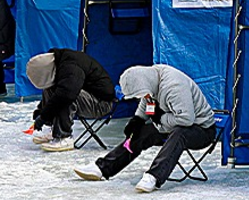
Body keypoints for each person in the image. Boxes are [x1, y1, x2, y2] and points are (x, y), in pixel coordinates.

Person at [74, 64, 217, 192]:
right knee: (140, 133)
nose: (142, 97)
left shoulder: (174, 86)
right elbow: (147, 101)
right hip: (171, 124)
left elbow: (186, 119)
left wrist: (160, 118)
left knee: (180, 134)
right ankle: (103, 168)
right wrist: (138, 119)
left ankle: (154, 176)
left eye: (141, 94)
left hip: (201, 129)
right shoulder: (151, 81)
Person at [26, 49, 116, 151]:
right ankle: (55, 130)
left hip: (101, 104)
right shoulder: (59, 62)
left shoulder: (71, 67)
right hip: (88, 97)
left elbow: (66, 95)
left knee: (66, 95)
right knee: (54, 89)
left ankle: (64, 137)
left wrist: (43, 117)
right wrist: (41, 111)